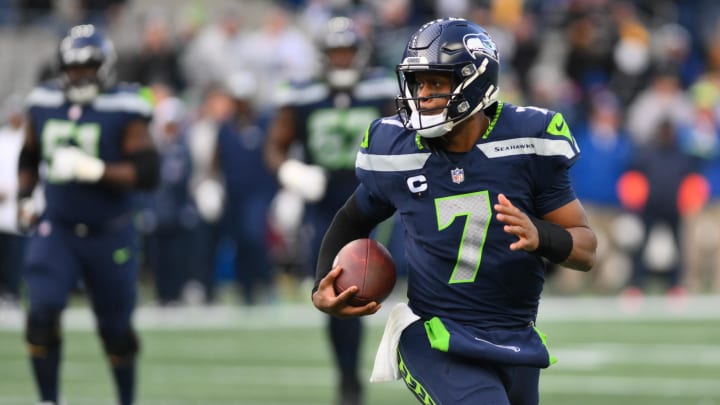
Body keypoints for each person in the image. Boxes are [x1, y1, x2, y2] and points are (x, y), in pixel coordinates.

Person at [311, 18, 597, 405]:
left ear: (475, 81)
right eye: (418, 83)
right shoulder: (397, 149)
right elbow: (354, 217)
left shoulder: (529, 142)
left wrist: (541, 236)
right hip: (436, 338)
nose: (423, 95)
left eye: (436, 83)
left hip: (516, 338)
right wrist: (321, 284)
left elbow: (585, 249)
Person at [17, 24, 159, 405]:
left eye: (89, 65)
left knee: (115, 331)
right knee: (41, 312)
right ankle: (48, 399)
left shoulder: (126, 106)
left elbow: (148, 173)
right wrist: (26, 197)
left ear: (105, 66)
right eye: (73, 66)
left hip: (110, 232)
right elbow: (29, 155)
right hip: (58, 228)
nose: (80, 74)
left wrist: (94, 170)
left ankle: (126, 399)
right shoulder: (43, 101)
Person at [264, 16, 401, 405]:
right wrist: (291, 171)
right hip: (324, 203)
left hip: (372, 197)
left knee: (377, 281)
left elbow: (408, 133)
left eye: (348, 52)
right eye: (335, 53)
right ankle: (347, 374)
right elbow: (275, 146)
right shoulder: (302, 94)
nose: (342, 61)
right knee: (335, 285)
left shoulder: (380, 89)